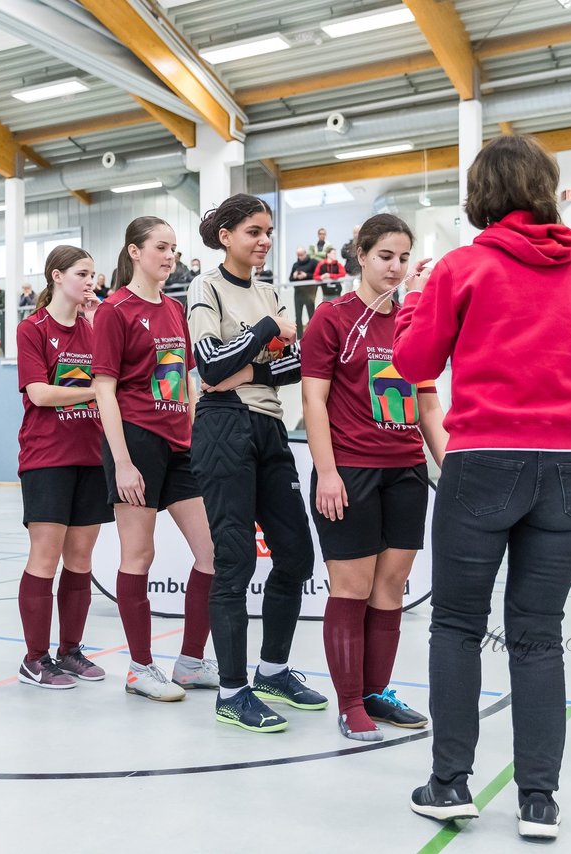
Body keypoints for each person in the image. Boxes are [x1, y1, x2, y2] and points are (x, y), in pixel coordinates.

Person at [393, 134, 571, 840]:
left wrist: (412, 303)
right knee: (538, 636)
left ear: (481, 192)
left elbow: (415, 360)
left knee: (457, 624)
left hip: (486, 457)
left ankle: (451, 783)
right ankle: (538, 799)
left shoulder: (462, 267)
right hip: (568, 466)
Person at [302, 213, 447, 742]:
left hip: (406, 472)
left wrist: (449, 469)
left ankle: (375, 692)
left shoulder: (415, 321)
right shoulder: (332, 319)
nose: (396, 266)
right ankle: (348, 703)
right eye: (386, 255)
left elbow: (428, 407)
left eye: (404, 257)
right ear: (361, 255)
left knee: (390, 588)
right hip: (352, 472)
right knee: (352, 586)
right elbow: (313, 400)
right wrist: (327, 472)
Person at [189, 194, 326, 733]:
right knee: (236, 561)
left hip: (268, 427)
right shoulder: (206, 286)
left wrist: (251, 364)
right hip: (223, 425)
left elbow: (290, 368)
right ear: (226, 236)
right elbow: (210, 364)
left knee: (295, 554)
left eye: (268, 231)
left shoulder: (271, 289)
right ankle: (231, 690)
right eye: (253, 231)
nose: (264, 240)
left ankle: (271, 672)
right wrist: (266, 332)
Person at [91, 216, 216, 702]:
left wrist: (192, 432)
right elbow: (104, 388)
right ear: (134, 251)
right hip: (136, 442)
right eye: (160, 247)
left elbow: (185, 379)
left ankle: (188, 662)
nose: (170, 256)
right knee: (138, 556)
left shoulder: (175, 310)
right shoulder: (114, 310)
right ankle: (140, 667)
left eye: (174, 249)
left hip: (180, 446)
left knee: (212, 554)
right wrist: (121, 461)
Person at [15, 246, 111, 689]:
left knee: (80, 559)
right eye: (82, 273)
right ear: (57, 276)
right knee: (45, 556)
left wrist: (99, 318)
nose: (91, 281)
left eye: (94, 274)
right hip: (46, 458)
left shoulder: (94, 330)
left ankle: (70, 650)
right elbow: (38, 393)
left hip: (91, 457)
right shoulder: (32, 328)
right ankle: (35, 658)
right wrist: (97, 391)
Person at [290, 246, 319, 338]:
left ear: (305, 253)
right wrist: (294, 276)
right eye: (298, 255)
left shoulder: (313, 262)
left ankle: (313, 336)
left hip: (309, 292)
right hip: (298, 293)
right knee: (298, 317)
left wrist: (306, 275)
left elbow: (317, 275)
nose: (300, 257)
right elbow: (290, 279)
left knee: (312, 316)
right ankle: (299, 338)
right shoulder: (295, 265)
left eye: (302, 255)